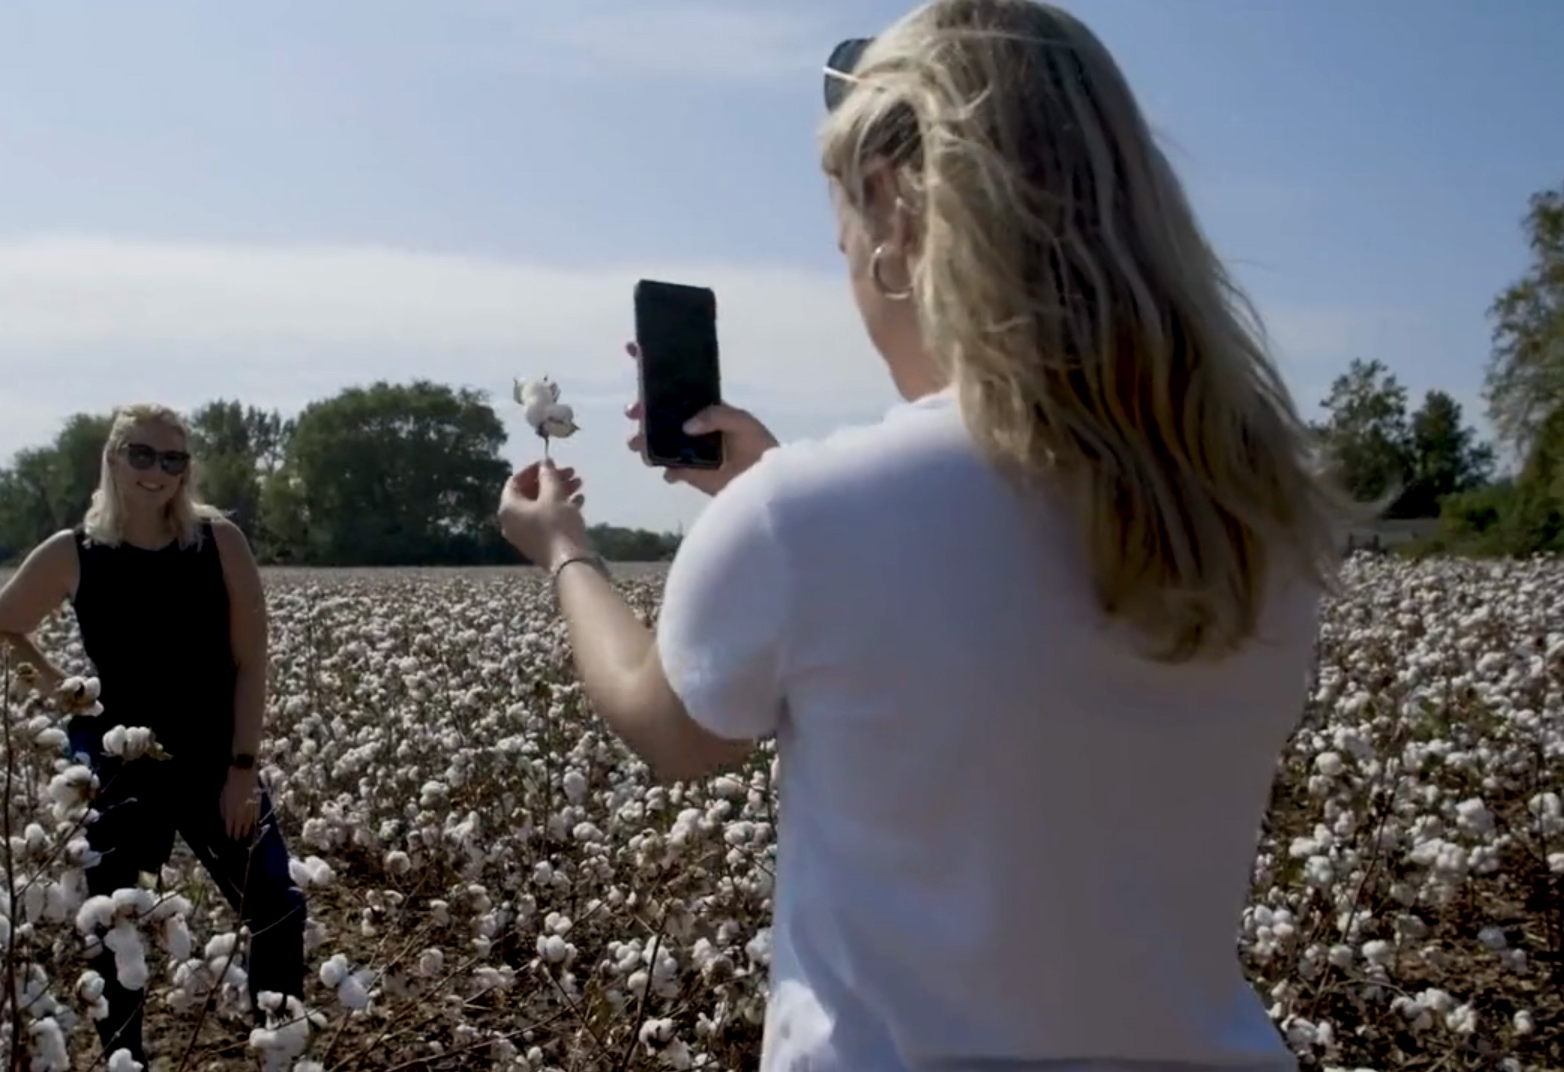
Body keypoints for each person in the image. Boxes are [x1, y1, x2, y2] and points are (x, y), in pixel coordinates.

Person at [497, 2, 1348, 1071]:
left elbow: (670, 729)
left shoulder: (808, 523)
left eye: (843, 232)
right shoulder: (1249, 514)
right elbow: (989, 596)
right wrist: (773, 486)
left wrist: (565, 547)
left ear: (895, 212)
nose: (847, 263)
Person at [0, 402, 305, 1061]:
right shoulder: (75, 553)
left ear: (186, 470)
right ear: (114, 457)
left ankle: (278, 1048)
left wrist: (242, 769)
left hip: (214, 755)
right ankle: (126, 1058)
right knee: (113, 925)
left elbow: (250, 660)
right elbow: (1, 627)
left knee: (276, 903)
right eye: (143, 455)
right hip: (113, 764)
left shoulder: (219, 543)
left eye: (173, 459)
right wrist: (59, 688)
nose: (157, 471)